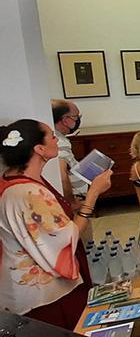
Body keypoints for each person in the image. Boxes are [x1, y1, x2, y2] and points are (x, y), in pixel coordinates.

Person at [0, 120, 112, 329]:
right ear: (39, 149)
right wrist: (93, 194)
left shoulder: (16, 181)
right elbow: (65, 237)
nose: (56, 140)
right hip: (44, 295)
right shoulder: (30, 193)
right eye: (52, 136)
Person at [50, 99, 88, 203]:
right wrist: (71, 203)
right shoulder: (60, 142)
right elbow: (62, 176)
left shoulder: (54, 137)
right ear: (65, 120)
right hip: (74, 199)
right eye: (76, 117)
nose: (78, 120)